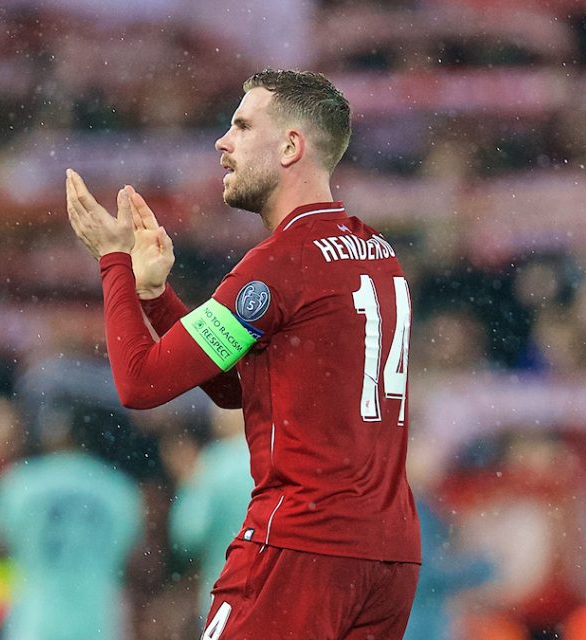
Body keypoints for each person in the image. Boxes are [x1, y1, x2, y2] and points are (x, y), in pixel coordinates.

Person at [65, 69, 421, 639]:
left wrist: (113, 262)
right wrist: (155, 297)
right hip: (389, 555)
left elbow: (139, 383)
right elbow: (242, 388)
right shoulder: (377, 254)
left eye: (241, 125)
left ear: (290, 146)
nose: (222, 142)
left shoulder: (282, 262)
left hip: (301, 545)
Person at [0, 406, 143, 640]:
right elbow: (133, 560)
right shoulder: (118, 488)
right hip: (97, 624)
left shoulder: (21, 481)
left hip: (35, 623)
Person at [168, 406, 254, 621]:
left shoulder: (214, 463)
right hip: (275, 598)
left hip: (224, 600)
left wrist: (187, 483)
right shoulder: (277, 457)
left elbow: (187, 535)